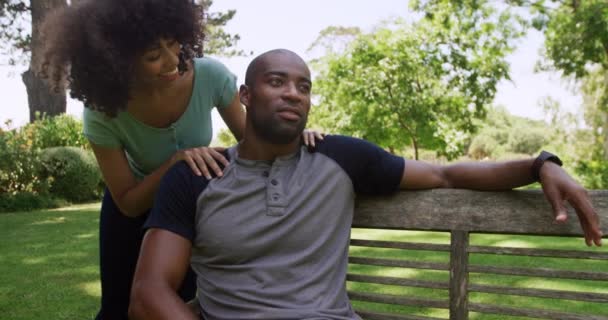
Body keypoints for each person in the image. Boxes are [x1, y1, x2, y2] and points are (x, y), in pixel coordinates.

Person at [128, 49, 602, 320]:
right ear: (246, 96)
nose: (294, 92)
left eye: (304, 86)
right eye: (277, 81)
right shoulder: (196, 176)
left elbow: (447, 173)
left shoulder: (339, 157)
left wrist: (541, 164)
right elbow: (149, 291)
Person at [37, 1, 322, 319]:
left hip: (188, 208)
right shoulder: (103, 114)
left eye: (174, 43)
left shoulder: (209, 76)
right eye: (153, 56)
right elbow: (128, 202)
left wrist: (300, 138)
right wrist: (175, 163)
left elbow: (255, 144)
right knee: (117, 309)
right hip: (130, 215)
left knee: (177, 301)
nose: (174, 62)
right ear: (117, 63)